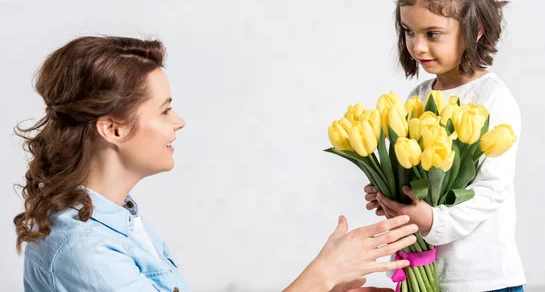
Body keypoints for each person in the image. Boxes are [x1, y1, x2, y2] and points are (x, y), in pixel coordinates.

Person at [14, 35, 416, 292]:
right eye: (165, 110)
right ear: (113, 130)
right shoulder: (83, 250)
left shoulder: (119, 222)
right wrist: (320, 277)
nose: (180, 121)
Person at [364, 0, 526, 292]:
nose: (417, 46)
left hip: (483, 279)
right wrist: (391, 194)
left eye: (433, 34)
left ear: (476, 30)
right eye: (409, 31)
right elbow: (415, 178)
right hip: (426, 275)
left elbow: (491, 191)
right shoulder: (418, 99)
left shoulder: (492, 99)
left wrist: (432, 221)